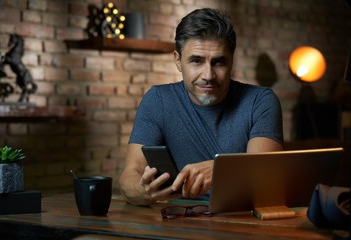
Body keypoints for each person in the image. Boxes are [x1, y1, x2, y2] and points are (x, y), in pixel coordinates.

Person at [119, 8, 284, 206]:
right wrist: (144, 191)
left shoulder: (260, 101)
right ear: (178, 61)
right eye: (196, 61)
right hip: (177, 222)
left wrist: (219, 170)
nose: (208, 75)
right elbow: (129, 178)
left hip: (241, 221)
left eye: (219, 62)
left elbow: (265, 176)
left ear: (232, 60)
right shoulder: (157, 100)